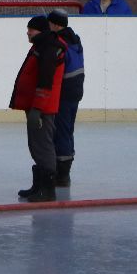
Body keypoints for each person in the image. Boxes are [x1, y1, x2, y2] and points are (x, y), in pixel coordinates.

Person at [9, 15, 65, 203]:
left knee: (43, 145)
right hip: (36, 106)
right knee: (36, 145)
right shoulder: (40, 46)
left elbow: (45, 82)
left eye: (31, 29)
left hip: (42, 108)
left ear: (39, 31)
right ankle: (39, 186)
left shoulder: (48, 49)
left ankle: (47, 190)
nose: (27, 32)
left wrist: (38, 109)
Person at [46, 10, 84, 187]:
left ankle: (61, 174)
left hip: (63, 92)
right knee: (67, 130)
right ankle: (64, 170)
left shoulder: (58, 42)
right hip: (75, 91)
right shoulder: (75, 40)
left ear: (54, 24)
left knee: (61, 131)